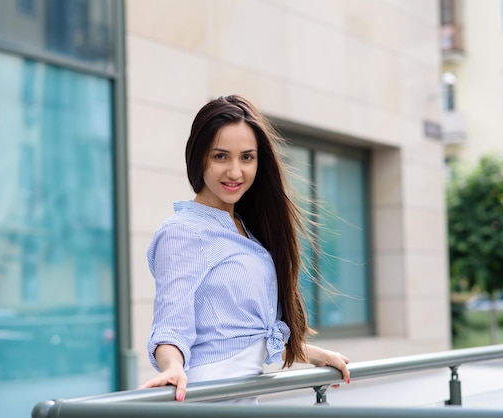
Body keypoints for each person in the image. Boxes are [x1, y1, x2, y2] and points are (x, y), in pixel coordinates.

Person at [138, 95, 351, 403]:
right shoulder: (183, 232)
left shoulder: (246, 229)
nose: (235, 172)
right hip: (207, 395)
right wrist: (172, 367)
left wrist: (310, 353)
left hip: (243, 396)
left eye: (247, 158)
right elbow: (170, 324)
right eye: (221, 157)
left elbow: (245, 330)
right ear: (199, 158)